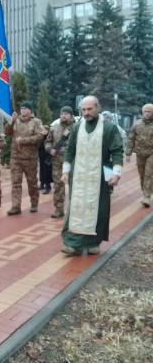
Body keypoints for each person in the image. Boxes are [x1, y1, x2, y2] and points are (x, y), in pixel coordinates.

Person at [60, 96, 124, 256]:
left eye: (90, 109)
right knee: (76, 208)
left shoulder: (110, 128)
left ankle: (94, 243)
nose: (86, 113)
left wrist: (116, 174)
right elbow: (70, 151)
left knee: (98, 209)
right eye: (83, 109)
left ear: (98, 107)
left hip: (100, 176)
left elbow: (117, 151)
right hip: (79, 175)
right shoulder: (76, 127)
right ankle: (73, 243)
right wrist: (65, 171)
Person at [4, 101, 43, 215]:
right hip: (16, 157)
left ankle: (34, 203)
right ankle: (15, 206)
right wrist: (11, 121)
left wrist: (24, 141)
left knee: (32, 182)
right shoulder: (16, 121)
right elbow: (7, 132)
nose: (23, 110)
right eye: (21, 108)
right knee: (15, 183)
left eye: (25, 108)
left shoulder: (36, 122)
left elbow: (39, 136)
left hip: (30, 158)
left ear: (30, 110)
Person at [45, 106, 76, 218]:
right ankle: (59, 208)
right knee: (58, 185)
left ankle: (75, 208)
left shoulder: (76, 127)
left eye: (66, 114)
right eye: (62, 114)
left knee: (74, 185)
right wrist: (50, 149)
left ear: (71, 115)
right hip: (57, 161)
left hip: (73, 161)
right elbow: (48, 142)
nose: (64, 116)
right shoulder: (54, 128)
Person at [125, 103, 153, 208]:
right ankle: (146, 190)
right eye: (145, 111)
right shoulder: (137, 124)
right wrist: (128, 153)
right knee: (142, 175)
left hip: (151, 153)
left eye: (149, 111)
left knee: (148, 174)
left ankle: (146, 197)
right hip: (140, 154)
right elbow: (131, 138)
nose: (147, 114)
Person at [38, 125, 53, 194]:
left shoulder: (49, 138)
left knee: (47, 171)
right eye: (43, 130)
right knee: (42, 170)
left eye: (46, 130)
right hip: (41, 155)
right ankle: (42, 184)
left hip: (48, 156)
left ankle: (48, 186)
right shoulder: (40, 138)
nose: (44, 131)